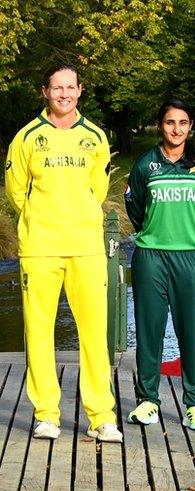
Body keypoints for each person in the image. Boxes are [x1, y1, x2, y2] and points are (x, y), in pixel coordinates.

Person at [3, 63, 122, 442]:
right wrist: (42, 219)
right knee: (39, 332)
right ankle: (46, 414)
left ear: (80, 91)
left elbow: (98, 189)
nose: (64, 95)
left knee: (93, 333)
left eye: (70, 88)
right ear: (45, 92)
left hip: (86, 247)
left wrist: (79, 213)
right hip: (40, 247)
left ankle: (102, 415)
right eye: (57, 88)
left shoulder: (95, 137)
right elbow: (16, 191)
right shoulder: (26, 138)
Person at [124, 100, 195, 431]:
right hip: (152, 257)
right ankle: (148, 401)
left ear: (190, 126)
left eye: (182, 123)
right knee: (149, 331)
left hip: (192, 258)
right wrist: (156, 231)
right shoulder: (145, 165)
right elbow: (135, 207)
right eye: (170, 122)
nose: (176, 129)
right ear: (159, 126)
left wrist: (191, 233)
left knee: (191, 333)